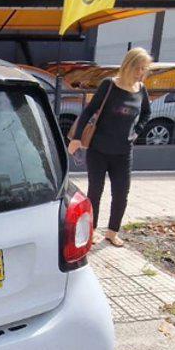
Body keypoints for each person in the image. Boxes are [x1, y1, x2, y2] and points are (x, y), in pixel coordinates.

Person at [68, 47, 153, 247]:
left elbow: (147, 113)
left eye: (144, 69)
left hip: (123, 152)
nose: (141, 72)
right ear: (128, 65)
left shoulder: (141, 89)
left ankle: (113, 232)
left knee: (122, 193)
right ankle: (93, 230)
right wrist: (77, 138)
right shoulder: (109, 85)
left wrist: (137, 131)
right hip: (99, 149)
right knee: (95, 191)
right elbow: (89, 111)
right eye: (138, 68)